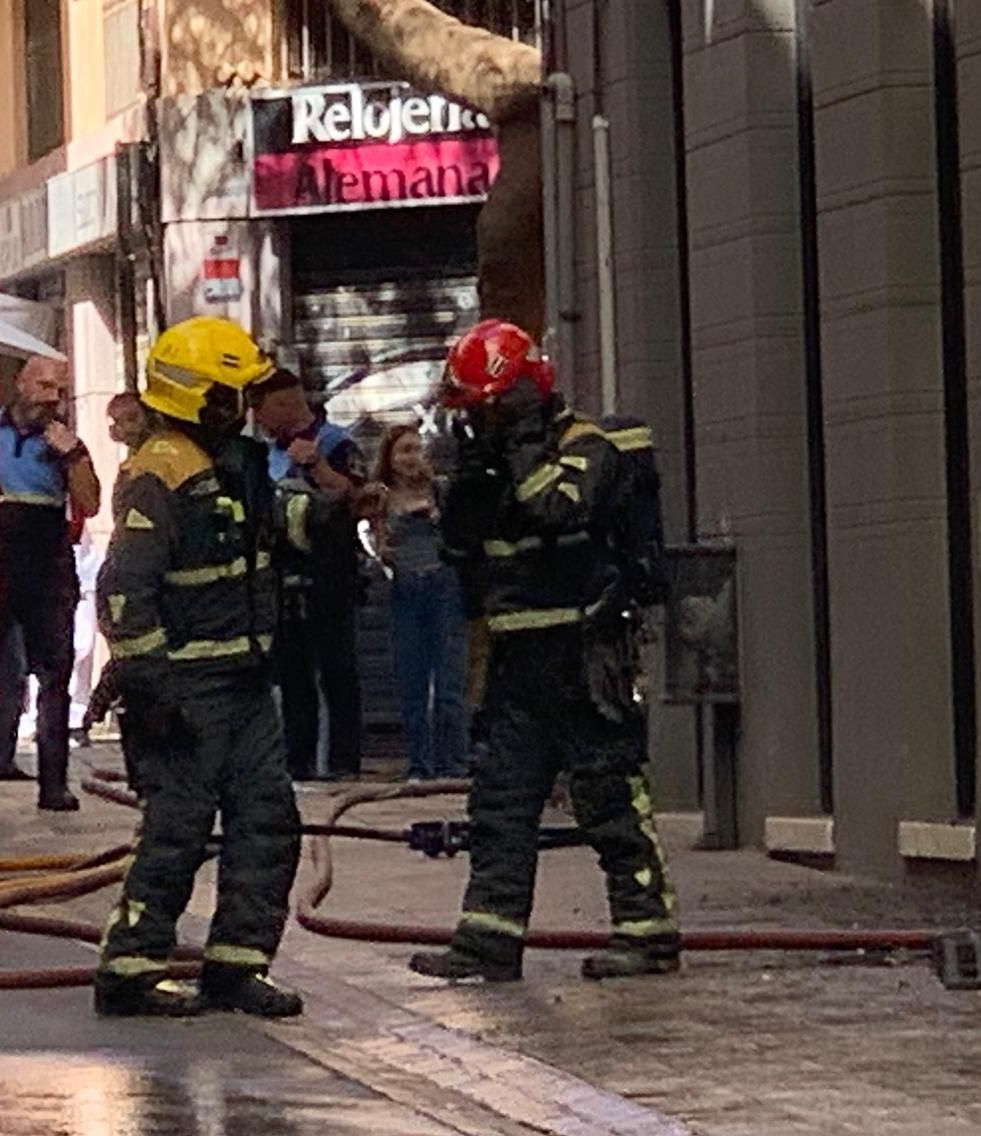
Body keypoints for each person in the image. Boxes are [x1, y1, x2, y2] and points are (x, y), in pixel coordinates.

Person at [409, 320, 679, 984]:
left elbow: (560, 507)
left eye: (486, 406)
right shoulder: (489, 457)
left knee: (608, 798)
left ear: (523, 394)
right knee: (500, 805)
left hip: (584, 652)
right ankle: (488, 941)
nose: (477, 421)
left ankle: (648, 934)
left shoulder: (585, 446)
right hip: (514, 660)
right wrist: (470, 486)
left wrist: (522, 447)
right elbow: (465, 552)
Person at [88, 316, 313, 1019]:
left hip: (246, 683)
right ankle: (130, 970)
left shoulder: (236, 464)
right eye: (232, 394)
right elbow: (126, 591)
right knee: (178, 827)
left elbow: (273, 533)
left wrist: (328, 517)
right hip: (186, 687)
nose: (244, 408)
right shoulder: (159, 472)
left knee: (267, 821)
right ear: (200, 397)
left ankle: (238, 966)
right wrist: (150, 686)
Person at [0, 354, 101, 812]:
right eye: (43, 386)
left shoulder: (64, 443)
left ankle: (54, 785)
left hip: (47, 565)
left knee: (54, 673)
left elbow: (91, 503)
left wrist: (73, 455)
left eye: (58, 390)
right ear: (19, 384)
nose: (51, 398)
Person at [249, 369, 368, 781]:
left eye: (260, 409)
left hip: (330, 579)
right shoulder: (265, 454)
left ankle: (343, 764)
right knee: (292, 675)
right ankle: (295, 763)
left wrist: (317, 466)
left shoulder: (336, 443)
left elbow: (358, 497)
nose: (257, 419)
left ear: (283, 404)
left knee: (338, 672)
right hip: (281, 581)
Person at [376, 425, 468, 780]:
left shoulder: (441, 490)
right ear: (390, 459)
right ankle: (420, 763)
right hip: (406, 588)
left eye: (417, 449)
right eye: (403, 451)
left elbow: (460, 537)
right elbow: (377, 547)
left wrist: (438, 520)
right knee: (411, 680)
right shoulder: (382, 498)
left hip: (443, 585)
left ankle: (455, 763)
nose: (411, 458)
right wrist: (386, 546)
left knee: (450, 683)